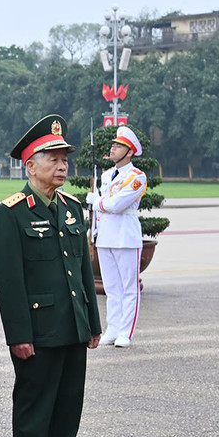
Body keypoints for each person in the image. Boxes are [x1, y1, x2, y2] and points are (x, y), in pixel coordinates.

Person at [0, 115, 101, 437]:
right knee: (35, 403)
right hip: (38, 328)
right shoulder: (12, 212)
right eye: (51, 158)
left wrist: (92, 322)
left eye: (64, 159)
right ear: (29, 165)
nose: (61, 165)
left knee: (68, 402)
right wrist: (18, 334)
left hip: (72, 323)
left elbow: (84, 271)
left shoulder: (72, 208)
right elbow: (9, 280)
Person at [89, 125, 146, 348]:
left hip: (125, 237)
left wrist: (97, 201)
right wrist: (94, 229)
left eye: (118, 146)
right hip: (105, 236)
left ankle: (126, 332)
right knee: (112, 287)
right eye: (112, 145)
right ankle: (112, 328)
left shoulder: (137, 177)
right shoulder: (105, 176)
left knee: (128, 287)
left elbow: (117, 205)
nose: (112, 148)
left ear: (130, 152)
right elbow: (104, 210)